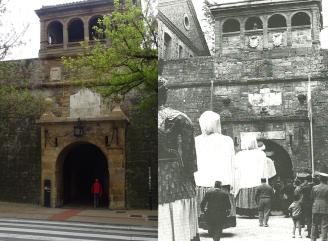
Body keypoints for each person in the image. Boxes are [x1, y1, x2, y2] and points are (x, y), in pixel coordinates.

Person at [158, 77, 199, 241]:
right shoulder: (180, 117)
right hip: (174, 174)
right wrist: (190, 175)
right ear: (165, 93)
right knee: (177, 209)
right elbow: (189, 154)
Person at [194, 111, 235, 217]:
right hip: (222, 182)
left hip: (202, 180)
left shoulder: (196, 141)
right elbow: (232, 162)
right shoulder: (227, 140)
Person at [234, 136, 276, 216]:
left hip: (244, 182)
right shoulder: (261, 154)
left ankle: (245, 211)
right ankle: (256, 211)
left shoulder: (239, 155)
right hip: (257, 181)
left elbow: (235, 168)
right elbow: (265, 169)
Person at [311, 172, 328, 241]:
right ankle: (324, 239)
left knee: (314, 224)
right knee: (324, 225)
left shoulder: (314, 187)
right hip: (325, 207)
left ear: (320, 179)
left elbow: (312, 197)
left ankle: (313, 239)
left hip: (315, 207)